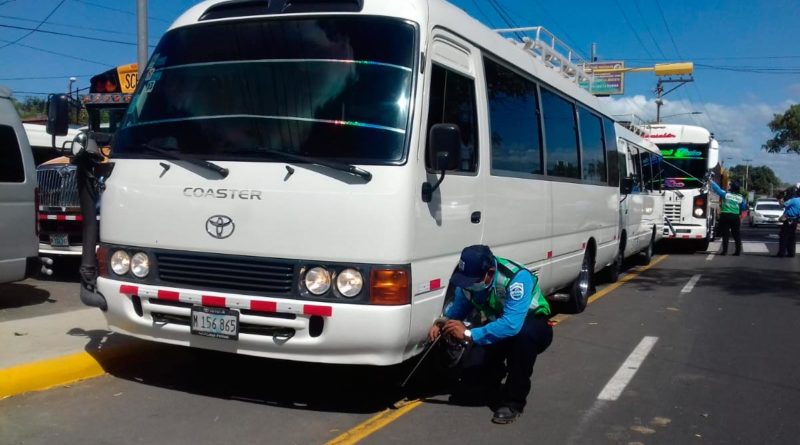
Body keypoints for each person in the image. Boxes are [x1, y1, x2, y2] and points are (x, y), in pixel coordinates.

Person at [428, 245, 552, 424]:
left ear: (490, 272)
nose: (468, 285)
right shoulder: (469, 282)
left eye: (472, 280)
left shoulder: (516, 278)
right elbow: (458, 307)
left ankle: (513, 402)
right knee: (472, 379)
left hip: (530, 324)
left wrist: (468, 334)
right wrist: (442, 322)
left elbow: (511, 325)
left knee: (522, 340)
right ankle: (493, 380)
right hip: (498, 324)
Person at [710, 179, 747, 255]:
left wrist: (711, 182)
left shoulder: (726, 194)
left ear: (731, 188)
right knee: (736, 235)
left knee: (725, 234)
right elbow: (744, 208)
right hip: (735, 217)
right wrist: (742, 217)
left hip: (725, 216)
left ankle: (725, 251)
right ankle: (737, 252)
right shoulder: (741, 198)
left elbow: (717, 190)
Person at [777, 188, 800, 257]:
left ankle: (782, 253)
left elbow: (782, 205)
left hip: (788, 219)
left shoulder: (793, 200)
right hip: (795, 220)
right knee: (792, 237)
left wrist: (781, 197)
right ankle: (791, 253)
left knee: (783, 236)